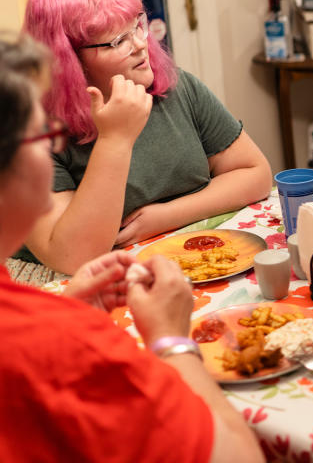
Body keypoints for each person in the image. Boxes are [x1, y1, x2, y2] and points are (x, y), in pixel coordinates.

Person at [0, 33, 263, 462]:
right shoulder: (51, 343)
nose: (54, 145)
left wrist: (72, 315)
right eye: (40, 135)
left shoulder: (180, 89)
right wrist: (172, 341)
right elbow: (236, 455)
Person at [21, 0, 273, 274]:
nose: (141, 44)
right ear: (69, 63)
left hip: (184, 259)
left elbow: (255, 175)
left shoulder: (179, 88)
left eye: (137, 26)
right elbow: (73, 258)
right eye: (118, 41)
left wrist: (164, 216)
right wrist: (116, 139)